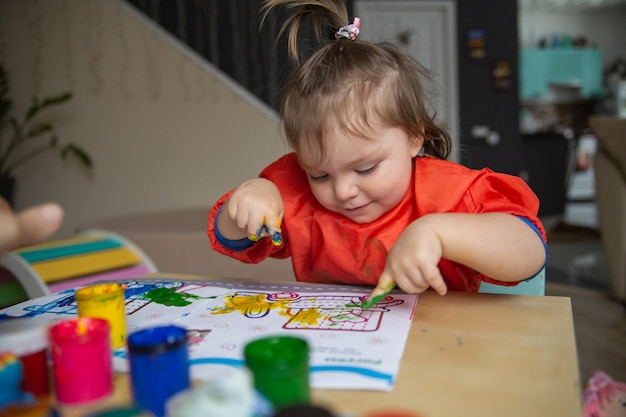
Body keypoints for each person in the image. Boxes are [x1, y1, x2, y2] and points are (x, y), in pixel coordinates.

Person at [207, 0, 547, 298]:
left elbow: (530, 251)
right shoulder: (294, 191)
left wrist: (437, 232)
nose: (342, 191)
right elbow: (231, 237)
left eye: (366, 168)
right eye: (320, 174)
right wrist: (253, 195)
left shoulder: (452, 194)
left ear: (415, 137)